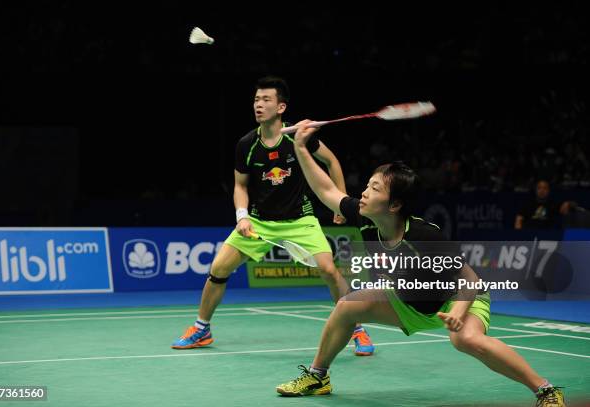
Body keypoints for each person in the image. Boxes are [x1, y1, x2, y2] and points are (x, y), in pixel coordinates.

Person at [275, 121, 565, 407]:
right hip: (409, 299)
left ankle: (546, 390)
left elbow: (470, 281)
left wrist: (458, 313)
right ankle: (318, 377)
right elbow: (326, 191)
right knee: (346, 306)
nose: (363, 192)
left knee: (465, 339)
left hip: (456, 298)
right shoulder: (366, 218)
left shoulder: (424, 236)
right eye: (367, 185)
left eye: (374, 189)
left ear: (394, 205)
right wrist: (300, 147)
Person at [171, 77, 374, 355]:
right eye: (256, 99)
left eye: (266, 100)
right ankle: (201, 328)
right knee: (218, 269)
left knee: (329, 270)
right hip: (259, 222)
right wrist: (242, 216)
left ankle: (357, 328)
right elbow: (240, 186)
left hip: (299, 220)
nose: (259, 105)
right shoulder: (246, 144)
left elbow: (331, 161)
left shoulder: (299, 137)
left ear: (281, 107)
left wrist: (339, 202)